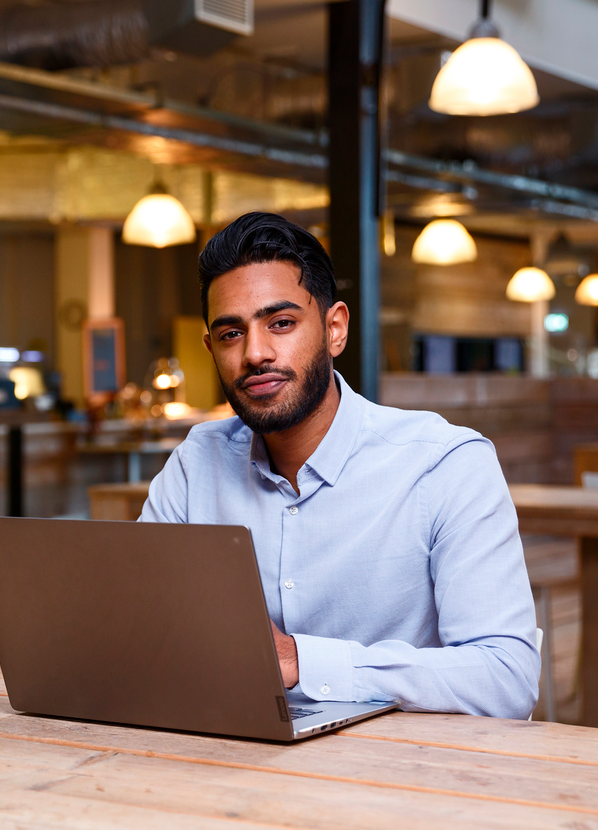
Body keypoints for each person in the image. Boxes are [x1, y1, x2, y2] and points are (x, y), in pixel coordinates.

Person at [139, 212, 540, 719]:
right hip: (231, 757)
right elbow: (143, 630)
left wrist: (303, 661)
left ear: (335, 329)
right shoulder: (197, 462)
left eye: (280, 323)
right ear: (211, 349)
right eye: (230, 334)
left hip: (401, 771)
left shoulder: (445, 464)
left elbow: (507, 679)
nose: (255, 353)